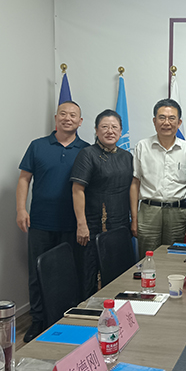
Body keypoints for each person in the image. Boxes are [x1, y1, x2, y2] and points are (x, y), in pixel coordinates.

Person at [16, 100, 89, 342]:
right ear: (56, 118)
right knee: (37, 273)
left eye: (73, 115)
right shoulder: (37, 146)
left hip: (73, 224)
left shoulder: (86, 150)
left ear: (80, 121)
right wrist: (21, 209)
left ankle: (65, 319)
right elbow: (24, 179)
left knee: (70, 273)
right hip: (40, 222)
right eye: (63, 114)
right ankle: (38, 320)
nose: (68, 118)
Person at [70, 109, 133, 299]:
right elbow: (77, 190)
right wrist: (82, 224)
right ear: (96, 130)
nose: (110, 131)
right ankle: (91, 314)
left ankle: (118, 312)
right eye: (104, 127)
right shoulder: (87, 154)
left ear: (121, 131)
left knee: (119, 273)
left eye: (114, 127)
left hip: (120, 225)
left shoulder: (127, 157)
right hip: (94, 226)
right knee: (92, 274)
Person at [130, 99, 186, 258]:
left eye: (172, 118)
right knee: (148, 258)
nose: (166, 122)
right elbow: (135, 183)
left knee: (173, 259)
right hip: (148, 212)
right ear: (154, 121)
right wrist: (134, 218)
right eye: (162, 118)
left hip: (178, 212)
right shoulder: (142, 146)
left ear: (179, 122)